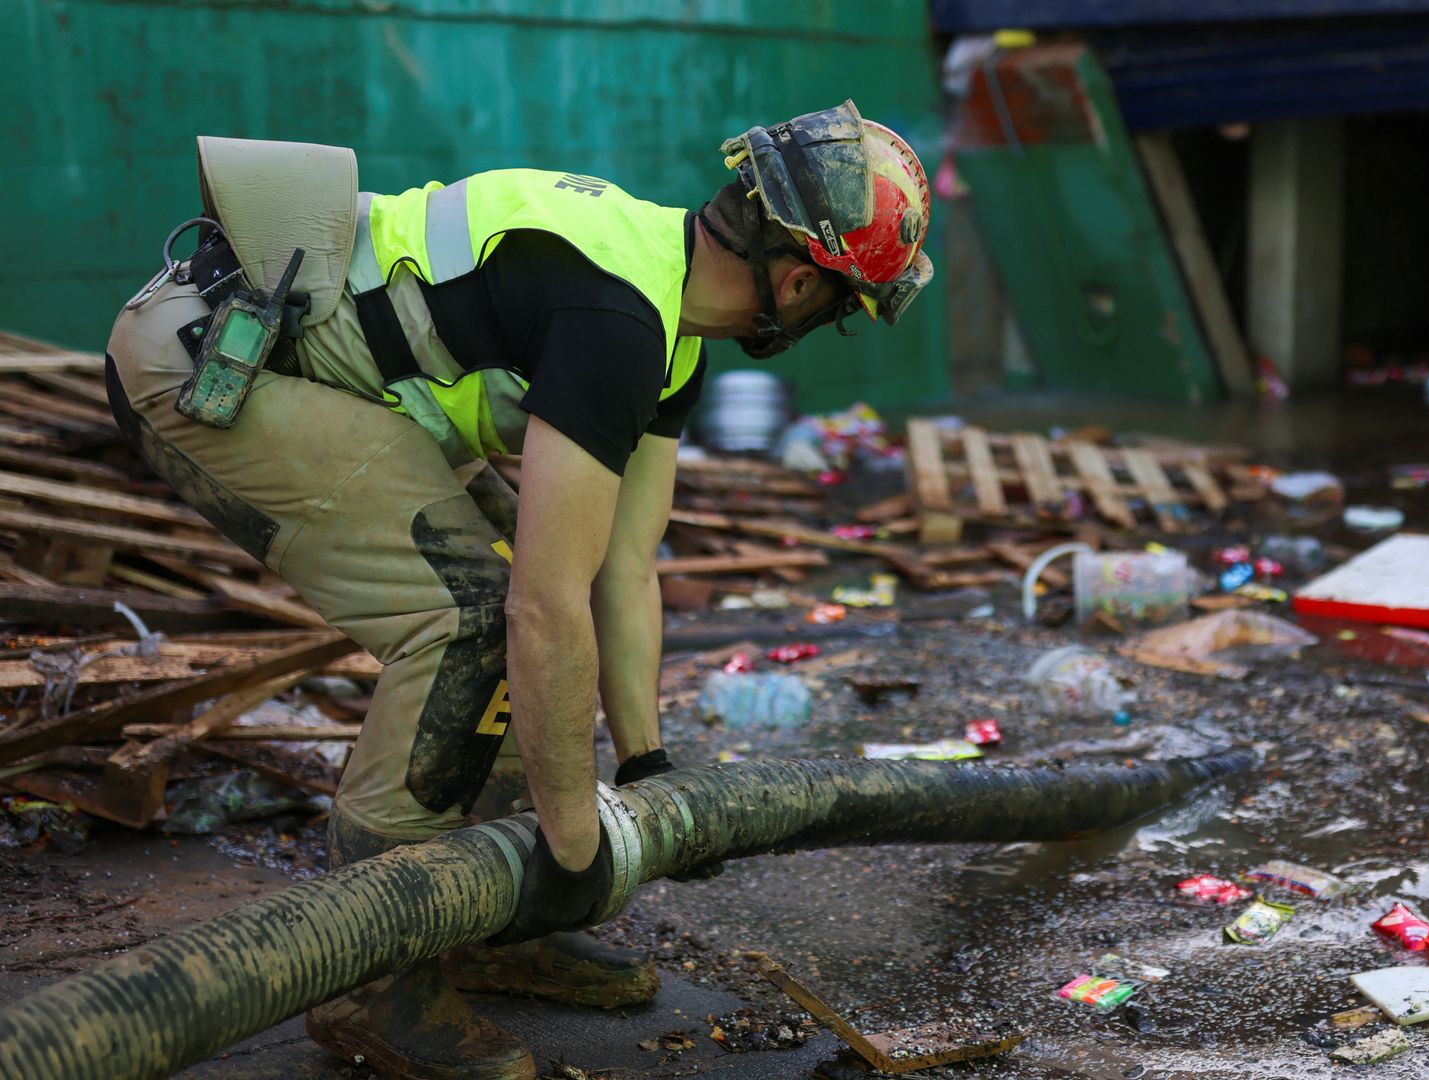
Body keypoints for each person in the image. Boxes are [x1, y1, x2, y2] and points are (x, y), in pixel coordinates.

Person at [102, 100, 932, 1080]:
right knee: (468, 622)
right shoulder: (616, 316)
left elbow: (622, 568)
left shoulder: (666, 323)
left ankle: (500, 922)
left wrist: (647, 760)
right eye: (840, 307)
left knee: (503, 605)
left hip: (300, 361)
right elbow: (545, 607)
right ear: (800, 281)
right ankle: (374, 982)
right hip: (209, 359)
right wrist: (579, 848)